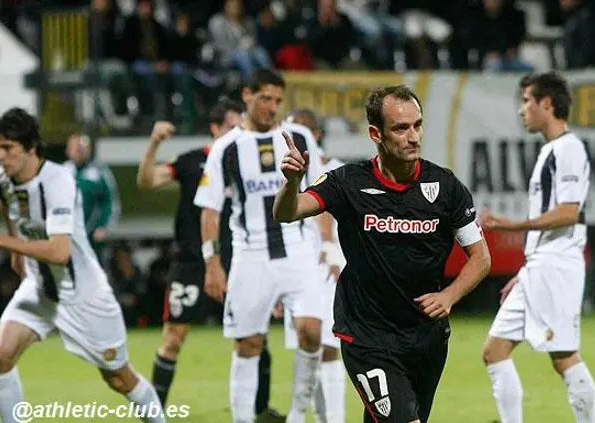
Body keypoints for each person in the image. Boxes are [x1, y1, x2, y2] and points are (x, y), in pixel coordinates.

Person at [273, 85, 491, 423]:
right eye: (401, 129)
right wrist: (290, 183)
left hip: (426, 336)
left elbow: (480, 257)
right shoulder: (347, 183)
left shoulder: (446, 187)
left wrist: (449, 295)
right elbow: (288, 212)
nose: (413, 136)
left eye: (417, 125)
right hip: (367, 336)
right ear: (376, 134)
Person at [0, 108, 166, 422]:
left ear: (30, 148)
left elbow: (60, 252)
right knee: (0, 357)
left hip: (85, 296)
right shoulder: (4, 179)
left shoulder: (59, 182)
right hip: (40, 290)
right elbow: (6, 199)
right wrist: (18, 252)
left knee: (118, 378)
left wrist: (2, 241)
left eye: (7, 149)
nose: (0, 156)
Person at [136, 99, 284, 421]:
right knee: (173, 338)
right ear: (215, 129)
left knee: (254, 335)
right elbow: (147, 181)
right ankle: (154, 412)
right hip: (190, 263)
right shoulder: (191, 162)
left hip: (237, 261)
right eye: (231, 126)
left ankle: (260, 410)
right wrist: (154, 143)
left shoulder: (246, 161)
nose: (237, 132)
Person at [194, 68, 327, 423]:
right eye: (265, 98)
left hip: (298, 249)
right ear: (247, 96)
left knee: (312, 331)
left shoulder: (298, 136)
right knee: (248, 343)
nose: (272, 107)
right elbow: (210, 209)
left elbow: (321, 191)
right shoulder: (226, 147)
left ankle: (299, 414)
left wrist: (328, 248)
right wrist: (212, 262)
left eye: (278, 101)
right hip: (251, 254)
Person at [481, 72, 595, 423]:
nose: (522, 111)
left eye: (527, 101)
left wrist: (509, 225)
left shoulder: (569, 149)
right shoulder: (551, 150)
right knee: (494, 351)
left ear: (547, 104)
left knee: (564, 356)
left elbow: (567, 212)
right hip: (540, 265)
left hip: (558, 265)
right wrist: (527, 269)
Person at [283, 108, 346, 423]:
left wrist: (330, 246)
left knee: (329, 346)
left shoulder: (337, 171)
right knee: (308, 347)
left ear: (315, 135)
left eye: (298, 130)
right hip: (295, 267)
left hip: (328, 264)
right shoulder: (284, 174)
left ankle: (332, 419)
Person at [64, 133, 121, 260]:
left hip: (91, 234)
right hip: (67, 236)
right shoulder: (63, 171)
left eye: (81, 148)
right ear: (68, 151)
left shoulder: (99, 172)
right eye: (74, 148)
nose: (78, 151)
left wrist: (104, 226)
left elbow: (110, 201)